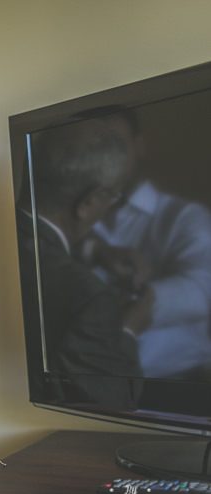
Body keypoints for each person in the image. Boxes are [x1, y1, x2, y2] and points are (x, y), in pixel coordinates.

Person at [18, 118, 147, 405]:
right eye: (113, 196)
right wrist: (128, 330)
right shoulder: (91, 297)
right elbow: (117, 403)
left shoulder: (7, 234)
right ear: (89, 202)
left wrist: (95, 250)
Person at [85, 109, 211, 378]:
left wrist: (133, 302)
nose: (106, 156)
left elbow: (203, 290)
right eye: (95, 147)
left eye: (116, 144)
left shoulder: (184, 217)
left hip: (177, 386)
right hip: (89, 384)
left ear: (139, 146)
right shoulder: (75, 221)